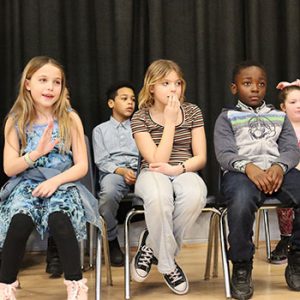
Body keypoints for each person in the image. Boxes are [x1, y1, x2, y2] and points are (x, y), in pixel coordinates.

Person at [0, 56, 101, 299]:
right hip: (27, 185)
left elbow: (82, 166)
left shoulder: (70, 118)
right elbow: (9, 168)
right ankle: (6, 287)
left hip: (62, 184)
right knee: (19, 223)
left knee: (60, 221)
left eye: (56, 82)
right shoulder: (16, 121)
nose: (50, 88)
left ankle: (76, 286)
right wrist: (37, 153)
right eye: (43, 80)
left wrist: (55, 181)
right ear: (28, 84)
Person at [214, 60, 300, 300]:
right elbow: (224, 154)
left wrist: (279, 167)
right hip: (242, 175)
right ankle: (242, 265)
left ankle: (297, 256)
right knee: (240, 204)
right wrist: (249, 167)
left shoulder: (279, 117)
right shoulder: (226, 118)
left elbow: (291, 150)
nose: (255, 89)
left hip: (276, 172)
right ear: (234, 88)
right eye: (247, 83)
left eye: (260, 84)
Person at [130, 59, 207, 295]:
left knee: (196, 195)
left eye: (177, 83)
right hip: (152, 171)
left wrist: (178, 169)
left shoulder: (193, 111)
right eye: (165, 83)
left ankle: (151, 245)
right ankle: (168, 265)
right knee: (159, 197)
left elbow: (201, 157)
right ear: (151, 87)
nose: (173, 89)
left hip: (183, 168)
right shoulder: (140, 117)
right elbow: (156, 159)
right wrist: (170, 122)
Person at [92, 81, 139, 266]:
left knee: (159, 192)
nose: (130, 103)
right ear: (111, 103)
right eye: (124, 98)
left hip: (140, 170)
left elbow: (148, 153)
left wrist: (138, 170)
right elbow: (101, 160)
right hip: (114, 172)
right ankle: (111, 240)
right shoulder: (100, 130)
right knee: (108, 194)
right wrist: (121, 170)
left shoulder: (139, 126)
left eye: (133, 99)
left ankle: (151, 244)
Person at [269, 79, 300, 264]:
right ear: (282, 107)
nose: (299, 106)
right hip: (288, 173)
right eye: (293, 102)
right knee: (287, 192)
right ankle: (286, 239)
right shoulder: (277, 127)